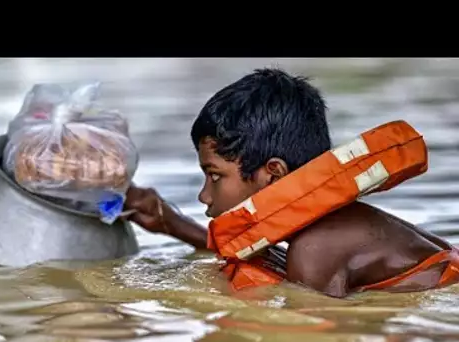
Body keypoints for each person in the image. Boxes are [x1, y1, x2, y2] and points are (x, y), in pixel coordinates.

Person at [123, 67, 459, 298]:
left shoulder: (314, 250)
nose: (203, 195)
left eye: (214, 176)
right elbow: (260, 256)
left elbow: (310, 329)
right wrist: (172, 225)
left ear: (273, 173)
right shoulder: (325, 231)